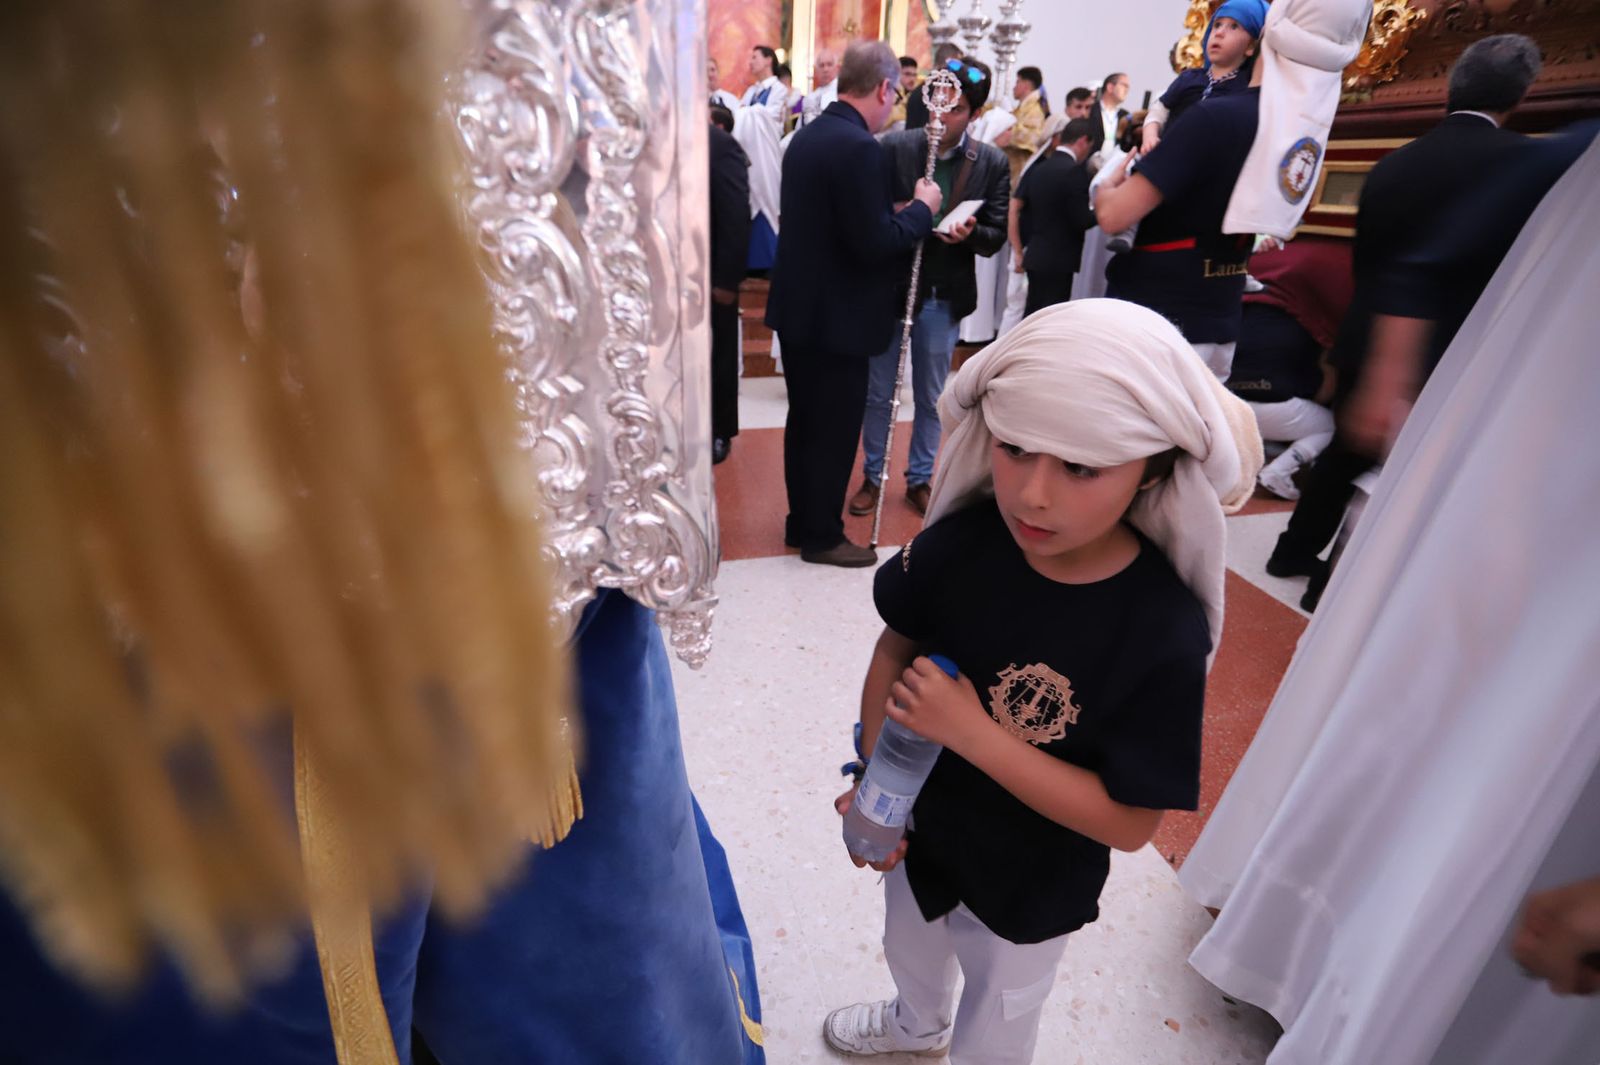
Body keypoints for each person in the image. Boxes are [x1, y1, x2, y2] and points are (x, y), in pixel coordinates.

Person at [1178, 125, 1600, 1065]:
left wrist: (1378, 368)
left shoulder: (1416, 164)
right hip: (1511, 439)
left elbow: (1406, 268)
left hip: (1476, 424)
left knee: (1409, 662)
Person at [822, 299, 1261, 1063]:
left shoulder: (1160, 628)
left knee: (1001, 1017)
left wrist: (972, 732)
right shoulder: (963, 544)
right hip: (922, 836)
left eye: (1082, 466)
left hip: (1033, 884)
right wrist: (873, 780)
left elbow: (1130, 824)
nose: (1033, 492)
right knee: (911, 948)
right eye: (1015, 447)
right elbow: (896, 647)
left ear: (1153, 466)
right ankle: (914, 1024)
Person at [1265, 35, 1543, 592]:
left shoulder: (1395, 163)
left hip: (1367, 331)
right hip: (1447, 343)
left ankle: (1291, 552)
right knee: (1405, 470)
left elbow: (1365, 262)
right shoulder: (1526, 164)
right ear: (1519, 96)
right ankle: (1336, 585)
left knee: (1344, 452)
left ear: (1451, 87)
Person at [765, 41, 942, 567]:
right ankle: (822, 536)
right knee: (835, 431)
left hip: (801, 310)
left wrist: (886, 212)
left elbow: (836, 221)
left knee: (805, 426)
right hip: (838, 317)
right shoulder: (860, 147)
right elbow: (873, 242)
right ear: (885, 87)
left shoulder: (810, 136)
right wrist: (922, 211)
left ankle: (802, 523)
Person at [850, 56, 1010, 519]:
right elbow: (866, 214)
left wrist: (970, 233)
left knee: (931, 393)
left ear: (973, 115)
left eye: (955, 108)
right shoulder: (893, 147)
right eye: (937, 101)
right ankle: (872, 473)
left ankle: (920, 477)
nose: (941, 115)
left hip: (943, 289)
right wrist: (899, 213)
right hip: (889, 286)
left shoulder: (991, 162)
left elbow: (996, 233)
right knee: (878, 391)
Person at [1095, 56, 1263, 381]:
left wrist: (1105, 188)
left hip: (1157, 317)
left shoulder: (1214, 116)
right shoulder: (1294, 126)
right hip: (1221, 309)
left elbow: (1113, 215)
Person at [1228, 238, 1353, 499]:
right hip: (1274, 408)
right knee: (1332, 428)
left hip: (1229, 407)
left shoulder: (1242, 307)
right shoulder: (1309, 321)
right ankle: (1279, 471)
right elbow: (1326, 385)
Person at [1142, 0, 1267, 154]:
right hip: (1164, 159)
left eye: (1234, 26)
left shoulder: (1244, 90)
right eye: (1217, 25)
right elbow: (1158, 111)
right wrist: (1150, 136)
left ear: (1250, 47)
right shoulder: (1189, 77)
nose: (1219, 33)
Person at [1010, 116, 1096, 316]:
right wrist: (1102, 207)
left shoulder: (1038, 168)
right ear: (1082, 141)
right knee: (1051, 318)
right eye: (1089, 147)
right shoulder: (1074, 172)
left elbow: (1020, 207)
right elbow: (1081, 220)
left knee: (1032, 315)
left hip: (1036, 253)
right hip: (1059, 259)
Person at [709, 106, 752, 465]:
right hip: (667, 278)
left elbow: (736, 214)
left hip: (711, 276)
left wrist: (726, 279)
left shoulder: (721, 146)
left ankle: (720, 430)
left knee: (718, 354)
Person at [734, 45, 786, 271]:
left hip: (766, 156)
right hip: (749, 154)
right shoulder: (751, 92)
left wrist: (748, 112)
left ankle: (769, 259)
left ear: (768, 61)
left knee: (766, 200)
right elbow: (740, 115)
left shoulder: (779, 90)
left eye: (754, 57)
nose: (751, 62)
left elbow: (773, 117)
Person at [1001, 65, 1049, 185]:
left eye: (1017, 82)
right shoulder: (1023, 108)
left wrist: (1003, 127)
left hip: (1019, 172)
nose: (1014, 87)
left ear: (1026, 85)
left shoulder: (1034, 110)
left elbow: (1031, 137)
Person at [906, 42, 964, 130]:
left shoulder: (923, 88)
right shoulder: (938, 92)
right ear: (948, 62)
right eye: (957, 66)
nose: (960, 71)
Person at [1087, 71, 1131, 160]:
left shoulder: (1125, 115)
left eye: (1128, 87)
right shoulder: (1090, 110)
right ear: (1110, 87)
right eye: (1124, 85)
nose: (1127, 90)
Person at [799, 47, 841, 129]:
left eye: (829, 64)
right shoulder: (810, 97)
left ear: (837, 68)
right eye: (822, 65)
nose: (825, 69)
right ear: (816, 70)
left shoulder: (843, 92)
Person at [886, 54, 921, 130]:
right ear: (897, 74)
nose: (912, 79)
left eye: (914, 75)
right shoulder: (887, 94)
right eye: (907, 74)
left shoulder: (917, 96)